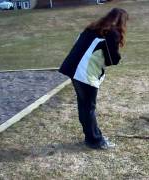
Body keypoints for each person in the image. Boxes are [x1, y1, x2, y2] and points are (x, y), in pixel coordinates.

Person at [59, 8, 129, 149]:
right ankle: (95, 141)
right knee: (88, 107)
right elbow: (112, 59)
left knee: (84, 106)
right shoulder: (112, 33)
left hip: (72, 70)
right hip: (84, 73)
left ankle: (90, 137)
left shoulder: (92, 28)